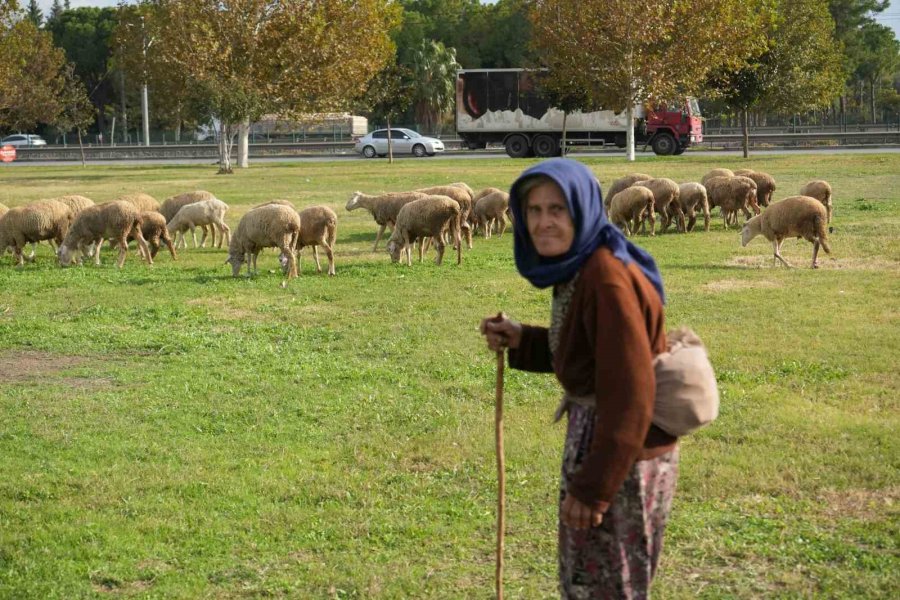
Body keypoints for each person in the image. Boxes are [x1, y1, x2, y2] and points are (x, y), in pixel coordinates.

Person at [480, 158, 678, 599]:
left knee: (608, 587)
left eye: (558, 210)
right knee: (589, 582)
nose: (544, 222)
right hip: (606, 442)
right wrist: (522, 339)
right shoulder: (581, 266)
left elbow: (630, 394)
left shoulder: (606, 279)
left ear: (582, 211)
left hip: (622, 454)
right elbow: (591, 355)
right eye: (534, 210)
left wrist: (592, 490)